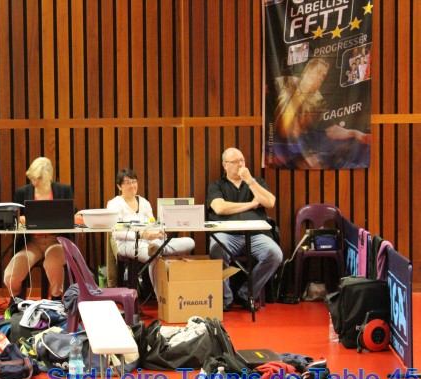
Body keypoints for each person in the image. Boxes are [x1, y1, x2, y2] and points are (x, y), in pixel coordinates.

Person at [207, 148, 283, 312]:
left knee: (275, 254)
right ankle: (225, 299)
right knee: (216, 248)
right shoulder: (216, 185)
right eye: (235, 162)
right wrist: (251, 204)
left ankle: (246, 293)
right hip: (226, 235)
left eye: (242, 160)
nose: (240, 164)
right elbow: (220, 208)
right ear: (225, 165)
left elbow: (270, 202)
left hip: (255, 235)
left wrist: (249, 180)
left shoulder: (257, 182)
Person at [107, 168, 195, 297]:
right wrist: (141, 235)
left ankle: (158, 249)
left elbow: (153, 224)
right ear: (119, 186)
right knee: (153, 256)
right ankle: (161, 297)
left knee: (190, 242)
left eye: (134, 182)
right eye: (127, 183)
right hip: (127, 244)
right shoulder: (114, 204)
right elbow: (116, 233)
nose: (132, 186)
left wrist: (159, 232)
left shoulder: (144, 202)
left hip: (151, 242)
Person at [272, 57, 370, 169]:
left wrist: (353, 133)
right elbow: (284, 129)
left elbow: (330, 129)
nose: (320, 79)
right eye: (318, 73)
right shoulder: (285, 83)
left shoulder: (317, 99)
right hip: (280, 147)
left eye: (323, 76)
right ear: (307, 71)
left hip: (302, 147)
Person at [3, 157, 73, 302]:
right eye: (32, 178)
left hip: (56, 241)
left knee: (53, 265)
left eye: (39, 178)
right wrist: (19, 219)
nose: (35, 182)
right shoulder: (22, 192)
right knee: (11, 275)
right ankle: (16, 301)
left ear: (49, 174)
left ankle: (56, 299)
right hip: (32, 242)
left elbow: (71, 215)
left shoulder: (63, 190)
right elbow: (13, 217)